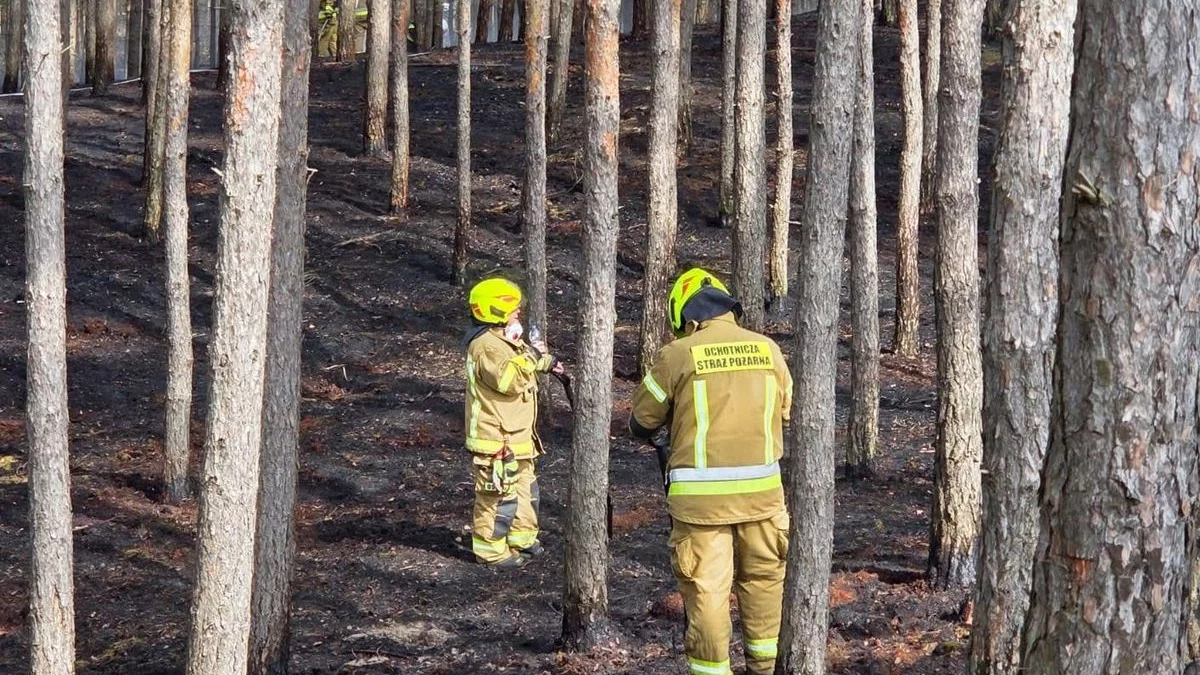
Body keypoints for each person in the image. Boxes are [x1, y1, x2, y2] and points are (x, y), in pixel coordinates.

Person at [629, 268, 793, 675]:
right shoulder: (768, 349)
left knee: (708, 595)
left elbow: (642, 419)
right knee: (764, 586)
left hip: (701, 509)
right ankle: (766, 668)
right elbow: (786, 410)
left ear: (687, 317)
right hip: (764, 500)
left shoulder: (677, 354)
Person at [463, 277, 563, 569]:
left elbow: (523, 365)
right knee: (497, 495)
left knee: (524, 490)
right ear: (496, 310)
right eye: (514, 308)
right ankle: (491, 551)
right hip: (495, 439)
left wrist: (546, 362)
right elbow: (510, 380)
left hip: (517, 438)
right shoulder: (485, 346)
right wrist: (533, 355)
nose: (518, 313)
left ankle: (521, 538)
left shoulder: (504, 341)